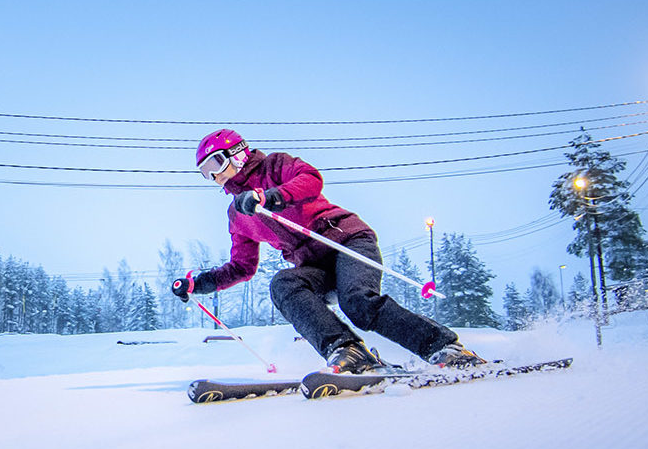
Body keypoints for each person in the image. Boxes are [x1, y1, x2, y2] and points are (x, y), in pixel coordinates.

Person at [171, 129, 486, 374]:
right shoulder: (239, 214)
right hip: (315, 266)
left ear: (237, 154)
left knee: (358, 303)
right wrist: (199, 284)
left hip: (346, 241)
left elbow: (310, 179)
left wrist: (271, 197)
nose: (214, 176)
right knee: (284, 284)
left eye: (215, 164)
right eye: (205, 172)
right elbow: (242, 267)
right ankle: (347, 351)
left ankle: (444, 347)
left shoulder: (274, 166)